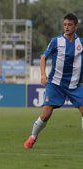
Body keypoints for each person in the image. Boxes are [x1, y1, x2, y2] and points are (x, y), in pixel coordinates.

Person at [24, 13, 83, 149]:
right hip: (55, 84)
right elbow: (43, 57)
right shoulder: (56, 41)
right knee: (46, 114)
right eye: (65, 25)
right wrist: (43, 75)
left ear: (76, 26)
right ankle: (33, 137)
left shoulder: (81, 43)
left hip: (74, 85)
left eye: (70, 25)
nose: (67, 27)